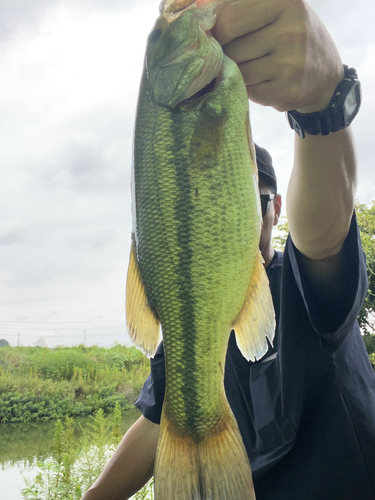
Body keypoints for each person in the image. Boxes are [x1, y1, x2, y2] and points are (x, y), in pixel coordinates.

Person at [81, 0, 375, 499]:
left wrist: (323, 99)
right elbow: (159, 421)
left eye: (259, 198)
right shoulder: (185, 329)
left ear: (275, 208)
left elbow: (323, 234)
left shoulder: (301, 286)